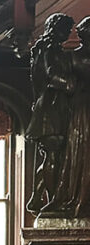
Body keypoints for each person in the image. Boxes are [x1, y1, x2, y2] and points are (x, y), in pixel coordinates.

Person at [25, 13, 75, 215]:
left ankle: (37, 198)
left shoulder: (42, 47)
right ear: (57, 29)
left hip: (47, 107)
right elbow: (50, 74)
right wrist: (69, 83)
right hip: (51, 108)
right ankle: (54, 200)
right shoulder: (49, 48)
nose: (68, 34)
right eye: (66, 29)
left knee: (50, 155)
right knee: (54, 155)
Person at [50, 16, 90, 217]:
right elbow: (56, 79)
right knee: (80, 150)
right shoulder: (70, 57)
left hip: (81, 105)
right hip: (81, 109)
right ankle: (77, 195)